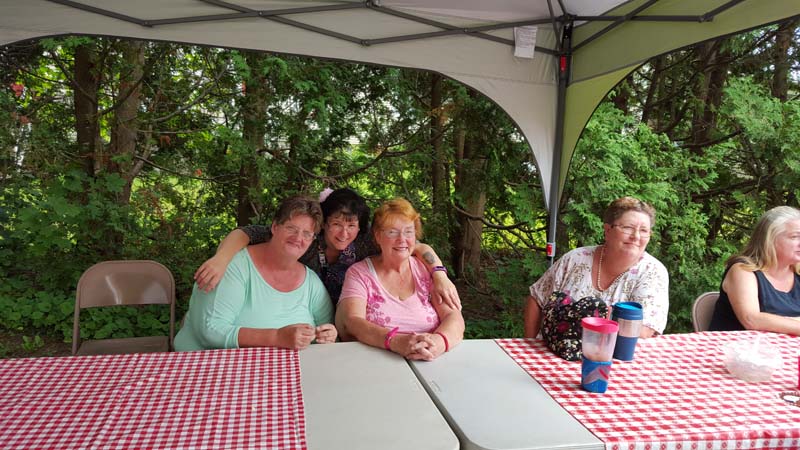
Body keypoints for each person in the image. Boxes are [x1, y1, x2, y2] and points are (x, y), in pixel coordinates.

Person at [194, 188, 461, 309]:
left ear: (361, 228)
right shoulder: (305, 240)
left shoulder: (364, 243)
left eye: (351, 225)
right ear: (324, 223)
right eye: (336, 223)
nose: (344, 233)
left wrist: (439, 275)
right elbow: (247, 233)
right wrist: (221, 259)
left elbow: (416, 245)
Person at [175, 195, 337, 351]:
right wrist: (276, 337)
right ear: (274, 227)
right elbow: (209, 330)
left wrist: (328, 335)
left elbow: (327, 329)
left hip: (285, 372)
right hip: (211, 367)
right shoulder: (234, 266)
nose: (298, 238)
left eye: (307, 234)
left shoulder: (311, 281)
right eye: (291, 228)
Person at [336, 198, 464, 360]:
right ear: (378, 236)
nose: (402, 239)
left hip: (431, 361)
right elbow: (353, 322)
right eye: (392, 232)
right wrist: (396, 341)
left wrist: (438, 343)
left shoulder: (426, 269)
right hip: (377, 361)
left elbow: (454, 317)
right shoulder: (359, 273)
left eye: (408, 231)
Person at [523, 197, 669, 339]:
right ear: (607, 230)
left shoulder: (653, 272)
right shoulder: (575, 259)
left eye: (644, 230)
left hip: (615, 359)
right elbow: (537, 299)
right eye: (628, 228)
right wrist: (529, 344)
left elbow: (645, 330)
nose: (636, 236)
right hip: (554, 352)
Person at [709, 206, 800, 334]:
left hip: (787, 351)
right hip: (736, 350)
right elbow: (752, 319)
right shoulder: (743, 270)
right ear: (769, 240)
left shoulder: (797, 272)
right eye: (795, 237)